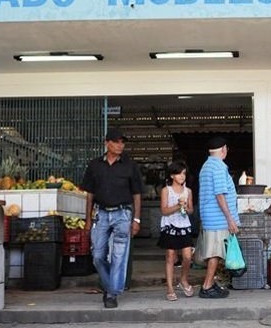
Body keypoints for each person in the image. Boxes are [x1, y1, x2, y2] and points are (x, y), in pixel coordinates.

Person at [80, 129, 143, 309]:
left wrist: (136, 220)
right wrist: (88, 219)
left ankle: (111, 294)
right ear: (106, 143)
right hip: (101, 214)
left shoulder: (130, 166)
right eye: (116, 142)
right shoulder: (94, 165)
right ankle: (111, 286)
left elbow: (137, 194)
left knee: (119, 255)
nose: (120, 145)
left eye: (122, 142)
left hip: (123, 214)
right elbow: (89, 194)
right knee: (97, 255)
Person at [197, 136, 240, 299]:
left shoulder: (206, 166)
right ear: (224, 149)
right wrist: (230, 219)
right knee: (215, 253)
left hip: (211, 217)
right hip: (218, 218)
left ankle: (211, 283)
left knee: (215, 252)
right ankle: (207, 286)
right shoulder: (219, 167)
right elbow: (220, 194)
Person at [157, 161, 195, 301]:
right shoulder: (166, 190)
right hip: (170, 226)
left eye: (184, 173)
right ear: (172, 175)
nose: (182, 176)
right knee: (170, 256)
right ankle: (170, 288)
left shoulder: (188, 191)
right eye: (179, 173)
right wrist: (177, 206)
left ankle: (183, 279)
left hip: (184, 226)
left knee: (187, 256)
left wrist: (186, 207)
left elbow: (191, 210)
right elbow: (164, 210)